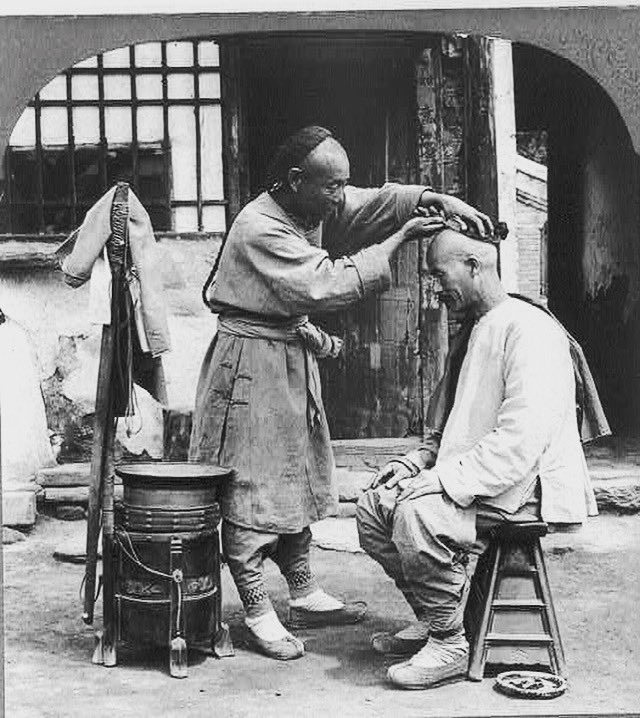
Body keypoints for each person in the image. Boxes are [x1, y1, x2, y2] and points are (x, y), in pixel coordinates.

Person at [189, 125, 493, 661]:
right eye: (332, 187)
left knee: (298, 471)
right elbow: (324, 282)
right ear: (295, 181)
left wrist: (431, 198)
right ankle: (258, 606)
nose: (340, 197)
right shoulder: (259, 227)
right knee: (250, 484)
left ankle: (303, 591)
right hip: (250, 366)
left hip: (287, 356)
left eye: (341, 186)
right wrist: (399, 241)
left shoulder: (310, 205)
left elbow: (372, 202)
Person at [356, 220, 600, 689]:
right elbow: (458, 427)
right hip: (484, 477)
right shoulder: (477, 328)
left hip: (525, 486)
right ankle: (435, 616)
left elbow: (518, 445)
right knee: (374, 506)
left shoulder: (530, 331)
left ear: (473, 265)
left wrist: (441, 483)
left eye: (438, 275)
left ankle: (449, 642)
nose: (435, 287)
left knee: (417, 514)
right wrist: (418, 462)